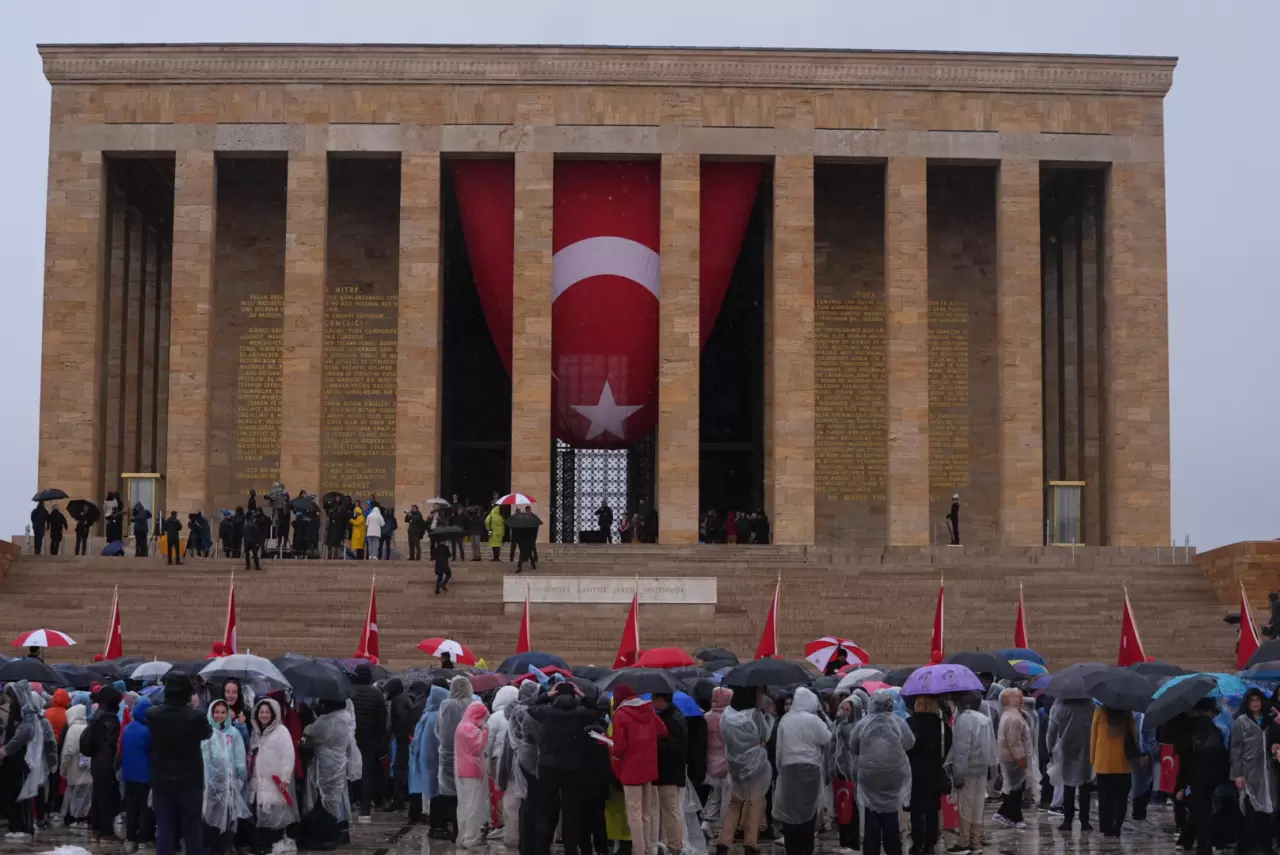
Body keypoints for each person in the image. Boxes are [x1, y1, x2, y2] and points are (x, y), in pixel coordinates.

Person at [149, 674, 215, 855]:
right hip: (190, 779)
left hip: (162, 778)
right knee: (192, 829)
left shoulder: (153, 714)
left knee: (165, 828)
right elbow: (207, 734)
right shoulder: (195, 716)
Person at [850, 690, 914, 855]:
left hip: (869, 777)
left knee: (871, 815)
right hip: (893, 776)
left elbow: (853, 747)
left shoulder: (863, 724)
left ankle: (871, 850)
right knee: (891, 815)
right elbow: (910, 743)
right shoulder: (898, 722)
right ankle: (893, 849)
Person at [774, 687, 833, 855]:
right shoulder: (813, 720)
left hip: (788, 769)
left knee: (790, 811)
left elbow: (779, 749)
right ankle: (806, 847)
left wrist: (780, 770)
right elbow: (827, 737)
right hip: (810, 768)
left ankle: (791, 847)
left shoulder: (785, 719)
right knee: (808, 811)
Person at [716, 686, 771, 855]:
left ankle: (723, 842)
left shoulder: (726, 713)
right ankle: (750, 844)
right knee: (755, 802)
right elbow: (765, 735)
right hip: (755, 764)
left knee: (735, 803)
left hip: (734, 764)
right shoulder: (754, 714)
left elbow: (722, 734)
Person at [610, 684, 664, 855]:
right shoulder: (648, 709)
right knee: (646, 812)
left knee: (634, 814)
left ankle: (638, 850)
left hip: (630, 770)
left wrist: (611, 747)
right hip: (649, 767)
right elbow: (663, 730)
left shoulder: (620, 714)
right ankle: (647, 848)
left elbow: (620, 747)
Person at [0, 681, 53, 841]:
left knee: (22, 794)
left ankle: (24, 826)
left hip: (22, 761)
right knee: (13, 793)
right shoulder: (15, 715)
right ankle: (15, 825)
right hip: (12, 762)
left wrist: (5, 750)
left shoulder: (28, 717)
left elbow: (22, 736)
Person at [1230, 688, 1276, 855]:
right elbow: (1235, 749)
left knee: (1268, 810)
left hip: (1268, 773)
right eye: (1252, 700)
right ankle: (1250, 847)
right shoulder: (1241, 722)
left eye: (1258, 700)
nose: (1255, 703)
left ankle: (1265, 846)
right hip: (1248, 773)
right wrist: (1238, 774)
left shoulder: (1269, 721)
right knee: (1249, 811)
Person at [249, 698, 297, 854]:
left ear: (274, 714)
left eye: (267, 712)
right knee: (262, 813)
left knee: (274, 814)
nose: (264, 715)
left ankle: (273, 845)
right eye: (261, 712)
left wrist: (285, 778)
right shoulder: (257, 732)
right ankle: (264, 846)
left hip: (275, 782)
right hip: (260, 782)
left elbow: (288, 755)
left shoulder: (281, 731)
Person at [905, 695, 951, 855]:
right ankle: (930, 843)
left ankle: (917, 843)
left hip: (914, 771)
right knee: (932, 808)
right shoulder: (941, 725)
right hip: (934, 769)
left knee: (916, 808)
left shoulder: (909, 723)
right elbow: (949, 745)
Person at [203, 699, 249, 855]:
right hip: (210, 783)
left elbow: (239, 757)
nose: (219, 715)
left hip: (229, 784)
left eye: (223, 712)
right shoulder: (206, 732)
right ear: (211, 713)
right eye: (216, 712)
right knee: (209, 816)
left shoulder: (234, 733)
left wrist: (240, 777)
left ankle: (225, 847)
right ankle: (210, 847)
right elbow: (203, 756)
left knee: (228, 817)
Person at [81, 683, 123, 843]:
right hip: (107, 763)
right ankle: (106, 831)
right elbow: (111, 744)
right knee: (108, 797)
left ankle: (98, 829)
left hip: (96, 761)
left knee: (98, 795)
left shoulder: (97, 716)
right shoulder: (110, 719)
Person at [1046, 697, 1095, 832]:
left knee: (1068, 784)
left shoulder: (1058, 703)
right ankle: (1085, 821)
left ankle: (1068, 820)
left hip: (1066, 748)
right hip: (1086, 747)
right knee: (1085, 784)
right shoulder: (1088, 702)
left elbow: (1052, 730)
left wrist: (1050, 749)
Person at [505, 681, 542, 855]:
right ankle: (529, 844)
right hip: (530, 760)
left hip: (519, 759)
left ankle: (524, 844)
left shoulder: (515, 711)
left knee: (525, 803)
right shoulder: (526, 713)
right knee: (531, 804)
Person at [435, 676, 473, 842]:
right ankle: (463, 830)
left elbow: (439, 729)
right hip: (468, 755)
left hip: (448, 754)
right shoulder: (473, 704)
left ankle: (454, 830)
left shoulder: (446, 705)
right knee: (466, 794)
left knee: (451, 794)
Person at [348, 663, 386, 823]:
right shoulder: (377, 694)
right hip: (369, 739)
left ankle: (348, 805)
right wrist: (380, 741)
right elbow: (382, 720)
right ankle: (365, 810)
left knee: (348, 771)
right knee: (367, 773)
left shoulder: (349, 691)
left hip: (351, 737)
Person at [652, 692, 689, 854]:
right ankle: (672, 843)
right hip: (674, 771)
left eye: (654, 700)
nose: (652, 703)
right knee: (671, 810)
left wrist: (653, 744)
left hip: (668, 772)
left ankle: (675, 846)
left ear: (661, 700)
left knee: (670, 811)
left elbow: (673, 748)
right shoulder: (676, 716)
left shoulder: (669, 720)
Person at [409, 685, 449, 838]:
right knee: (436, 791)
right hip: (436, 758)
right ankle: (437, 825)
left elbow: (416, 739)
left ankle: (430, 818)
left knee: (429, 789)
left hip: (425, 757)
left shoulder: (426, 715)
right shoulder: (438, 716)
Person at [992, 687, 1034, 830]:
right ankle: (1004, 814)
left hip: (1008, 757)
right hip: (1013, 758)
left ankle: (1015, 817)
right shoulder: (1014, 718)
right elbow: (1014, 741)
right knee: (1015, 789)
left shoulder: (1010, 714)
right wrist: (1020, 758)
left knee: (1016, 788)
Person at [1088, 705, 1132, 838]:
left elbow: (1094, 736)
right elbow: (1133, 736)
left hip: (1103, 762)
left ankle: (1106, 826)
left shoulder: (1100, 712)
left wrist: (1093, 759)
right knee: (1121, 797)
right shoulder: (1127, 713)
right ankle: (1117, 826)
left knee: (1104, 797)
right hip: (1123, 762)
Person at [831, 694, 866, 855]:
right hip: (839, 773)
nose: (843, 712)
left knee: (852, 809)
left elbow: (850, 743)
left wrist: (843, 724)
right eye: (841, 708)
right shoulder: (837, 724)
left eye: (847, 709)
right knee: (841, 809)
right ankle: (844, 841)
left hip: (852, 774)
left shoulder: (856, 726)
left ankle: (853, 843)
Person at [455, 701, 490, 849]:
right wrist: (485, 731)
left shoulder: (461, 726)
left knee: (464, 804)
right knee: (473, 805)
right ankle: (470, 838)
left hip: (462, 769)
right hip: (472, 770)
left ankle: (463, 836)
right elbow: (477, 747)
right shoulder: (470, 728)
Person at [121, 696, 155, 851]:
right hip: (144, 777)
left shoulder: (128, 728)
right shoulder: (148, 732)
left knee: (131, 809)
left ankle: (130, 839)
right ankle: (143, 839)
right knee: (145, 809)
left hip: (128, 776)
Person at [487, 685, 519, 845]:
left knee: (500, 792)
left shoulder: (495, 717)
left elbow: (488, 741)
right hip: (516, 759)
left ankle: (501, 824)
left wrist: (486, 764)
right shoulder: (519, 714)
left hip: (496, 759)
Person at [703, 686, 731, 840]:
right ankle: (722, 827)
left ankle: (707, 822)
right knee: (726, 798)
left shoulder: (706, 717)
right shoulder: (729, 717)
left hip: (711, 762)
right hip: (726, 762)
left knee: (715, 795)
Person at [60, 703, 92, 828]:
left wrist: (63, 767)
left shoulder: (73, 729)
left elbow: (68, 750)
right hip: (86, 766)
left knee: (72, 792)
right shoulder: (87, 727)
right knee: (83, 794)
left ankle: (72, 816)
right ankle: (81, 816)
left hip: (73, 767)